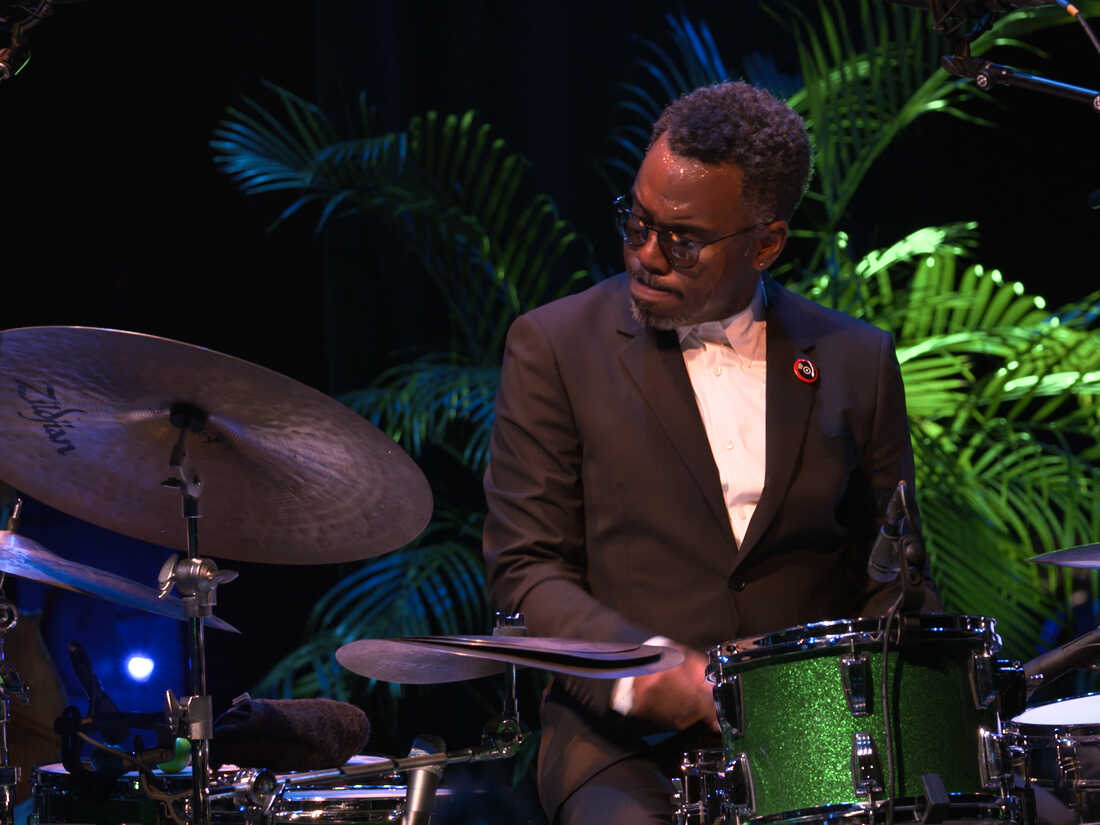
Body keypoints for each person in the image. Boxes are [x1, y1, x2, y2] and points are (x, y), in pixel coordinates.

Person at [482, 81, 935, 825]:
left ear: (766, 243)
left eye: (682, 240)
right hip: (623, 743)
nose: (646, 254)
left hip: (818, 733)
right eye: (637, 221)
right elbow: (526, 567)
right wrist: (642, 666)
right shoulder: (555, 347)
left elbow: (894, 576)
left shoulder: (855, 359)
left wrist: (866, 714)